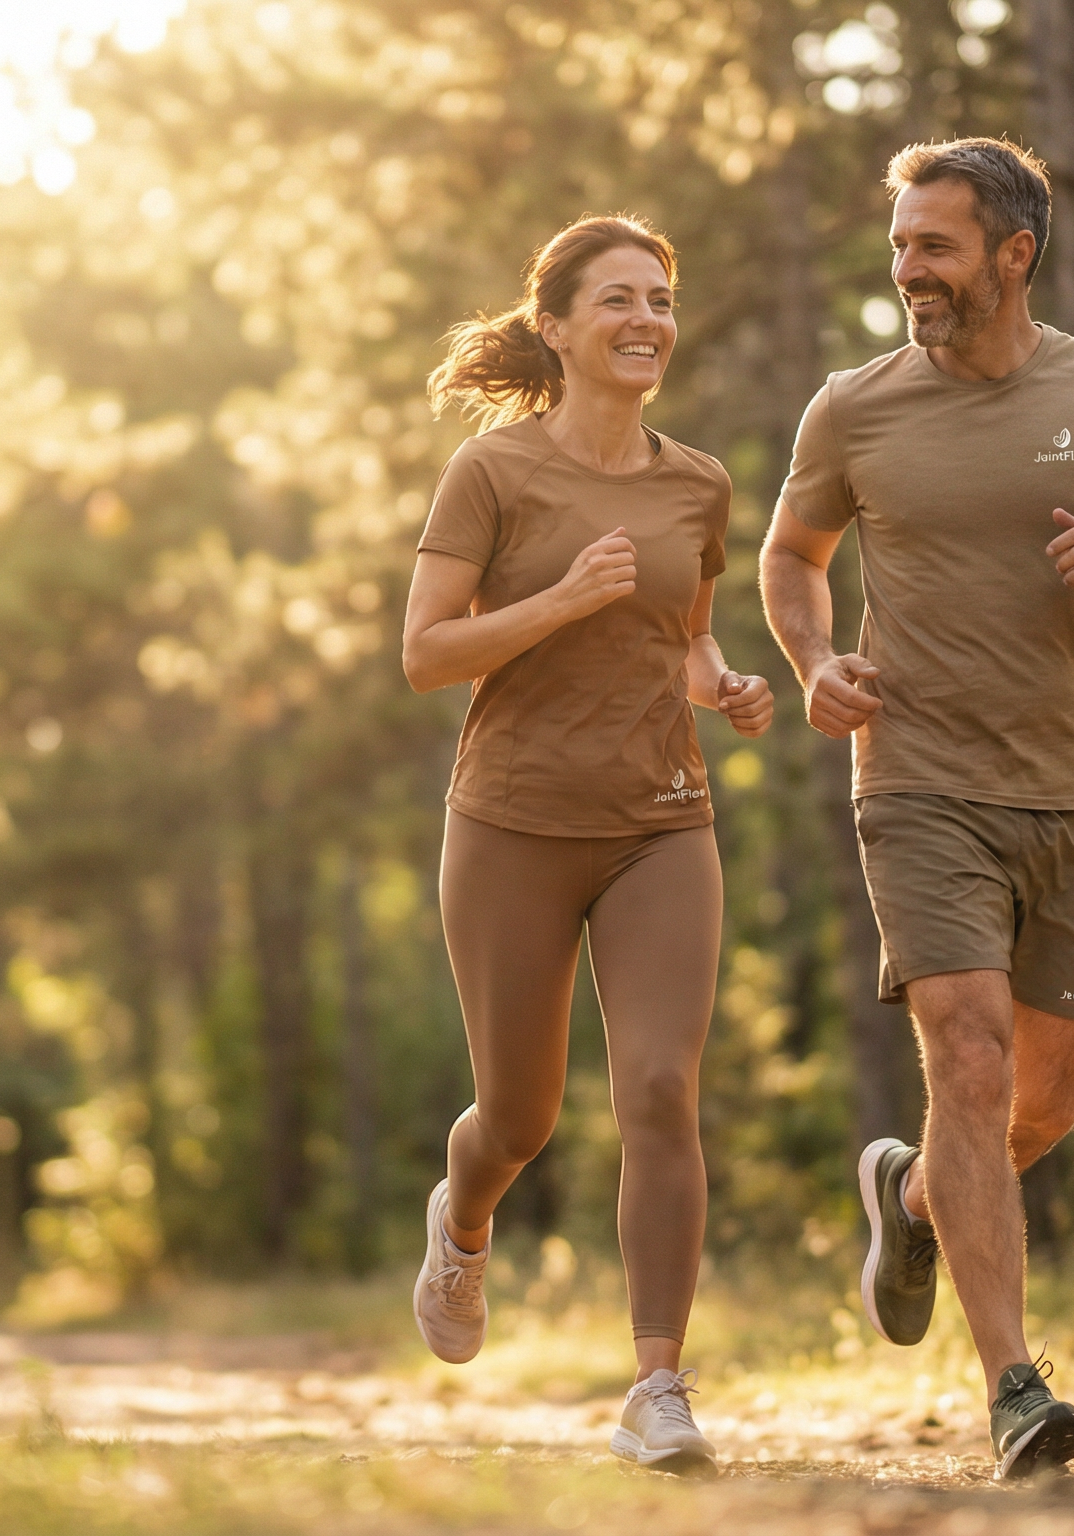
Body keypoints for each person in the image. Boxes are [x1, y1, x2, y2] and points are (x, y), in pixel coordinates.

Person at [757, 140, 1074, 1481]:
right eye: (902, 245)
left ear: (1013, 254)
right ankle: (1016, 1389)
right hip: (916, 782)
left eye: (937, 246)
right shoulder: (853, 409)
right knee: (965, 1061)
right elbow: (790, 557)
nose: (909, 270)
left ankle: (910, 1195)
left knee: (1042, 1101)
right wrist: (814, 661)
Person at [401, 214, 773, 1476]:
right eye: (617, 298)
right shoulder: (492, 477)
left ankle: (657, 1384)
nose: (646, 320)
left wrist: (724, 684)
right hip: (509, 823)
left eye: (660, 300)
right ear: (555, 327)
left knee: (663, 1089)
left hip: (660, 823)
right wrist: (557, 600)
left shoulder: (697, 482)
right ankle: (463, 1215)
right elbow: (423, 654)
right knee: (518, 1116)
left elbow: (688, 631)